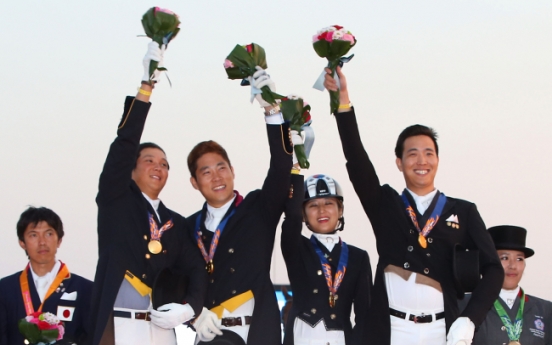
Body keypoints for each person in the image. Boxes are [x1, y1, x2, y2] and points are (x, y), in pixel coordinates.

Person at [323, 67, 504, 345]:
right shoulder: (385, 204)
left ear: (438, 161)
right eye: (412, 154)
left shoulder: (464, 211)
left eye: (429, 153)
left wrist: (470, 319)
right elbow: (357, 161)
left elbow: (494, 269)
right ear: (399, 162)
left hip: (441, 331)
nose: (422, 161)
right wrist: (342, 102)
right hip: (392, 329)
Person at [89, 41, 207, 345]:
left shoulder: (176, 224)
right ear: (131, 168)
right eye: (149, 160)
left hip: (160, 331)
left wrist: (190, 307)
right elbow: (123, 146)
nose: (158, 167)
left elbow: (196, 269)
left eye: (165, 164)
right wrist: (146, 88)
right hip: (115, 328)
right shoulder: (116, 199)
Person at [186, 68, 294, 344]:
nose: (217, 177)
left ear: (232, 171)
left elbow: (281, 166)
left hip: (256, 332)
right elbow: (174, 281)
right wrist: (192, 315)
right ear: (195, 183)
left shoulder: (259, 208)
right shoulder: (186, 228)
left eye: (221, 167)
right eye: (206, 172)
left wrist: (271, 110)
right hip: (209, 335)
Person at [280, 173, 371, 345]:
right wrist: (295, 172)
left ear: (340, 209)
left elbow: (365, 316)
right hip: (301, 336)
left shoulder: (358, 258)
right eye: (313, 205)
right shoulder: (296, 247)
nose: (322, 210)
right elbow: (291, 218)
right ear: (303, 215)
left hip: (341, 339)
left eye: (329, 203)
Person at [0, 206, 93, 345]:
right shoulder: (5, 288)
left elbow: (91, 338)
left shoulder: (86, 289)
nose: (42, 242)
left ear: (59, 240)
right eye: (33, 235)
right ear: (22, 243)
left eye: (49, 234)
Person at [469, 225, 552, 344]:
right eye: (504, 258)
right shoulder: (466, 304)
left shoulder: (545, 309)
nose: (513, 266)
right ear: (488, 262)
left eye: (519, 259)